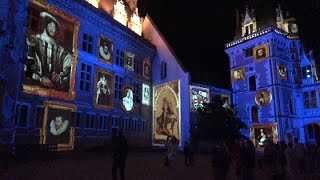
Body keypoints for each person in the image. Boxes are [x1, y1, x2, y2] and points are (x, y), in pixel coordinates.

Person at [25, 11, 72, 91]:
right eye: (50, 25)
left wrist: (59, 76)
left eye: (54, 27)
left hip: (54, 87)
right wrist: (39, 78)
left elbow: (69, 66)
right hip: (34, 86)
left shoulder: (59, 49)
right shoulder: (34, 41)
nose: (52, 29)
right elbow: (27, 63)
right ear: (45, 25)